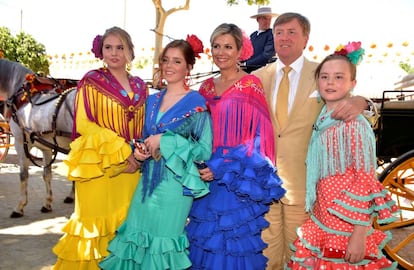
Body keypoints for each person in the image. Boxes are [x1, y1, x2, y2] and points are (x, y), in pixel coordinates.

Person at [252, 13, 377, 269]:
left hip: (306, 188)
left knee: (301, 256)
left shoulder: (322, 73)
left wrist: (363, 102)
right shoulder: (258, 77)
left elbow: (347, 98)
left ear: (305, 38)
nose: (284, 37)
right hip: (265, 187)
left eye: (291, 32)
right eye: (279, 32)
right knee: (266, 256)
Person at [99, 35, 213, 270]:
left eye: (177, 61)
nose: (169, 66)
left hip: (175, 188)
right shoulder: (151, 101)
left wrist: (166, 140)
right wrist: (139, 152)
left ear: (189, 67)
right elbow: (142, 137)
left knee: (163, 248)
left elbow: (204, 150)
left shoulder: (197, 103)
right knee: (137, 243)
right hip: (146, 184)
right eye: (166, 60)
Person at [286, 42, 399, 269]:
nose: (330, 82)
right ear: (317, 81)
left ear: (352, 83)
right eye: (325, 77)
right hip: (323, 216)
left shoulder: (353, 124)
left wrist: (359, 234)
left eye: (339, 77)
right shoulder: (323, 114)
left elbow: (365, 179)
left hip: (346, 223)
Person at [186, 23, 286, 269]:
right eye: (216, 46)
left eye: (228, 46)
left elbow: (259, 138)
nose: (221, 52)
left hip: (234, 182)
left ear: (241, 50)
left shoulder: (250, 85)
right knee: (203, 242)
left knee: (231, 247)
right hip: (205, 179)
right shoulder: (206, 87)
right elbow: (196, 131)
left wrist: (221, 165)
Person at [52, 26, 148, 269]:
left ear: (129, 51)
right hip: (99, 168)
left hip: (132, 170)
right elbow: (85, 124)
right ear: (101, 51)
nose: (114, 53)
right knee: (93, 230)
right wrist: (124, 151)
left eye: (120, 47)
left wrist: (137, 156)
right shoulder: (91, 81)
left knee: (125, 228)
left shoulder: (141, 86)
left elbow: (144, 126)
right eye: (109, 47)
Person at [243, 6, 278, 73]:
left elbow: (266, 56)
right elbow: (247, 53)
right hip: (248, 70)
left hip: (264, 72)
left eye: (269, 19)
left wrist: (246, 64)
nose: (267, 21)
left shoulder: (272, 34)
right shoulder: (253, 35)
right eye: (264, 18)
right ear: (258, 19)